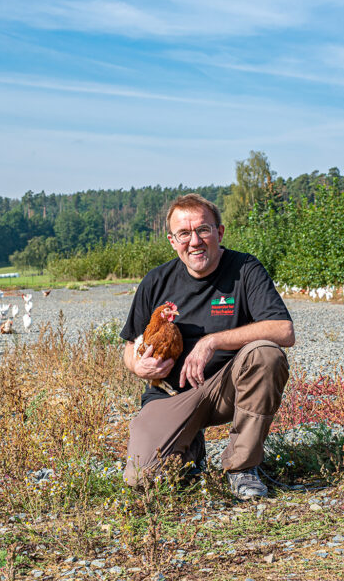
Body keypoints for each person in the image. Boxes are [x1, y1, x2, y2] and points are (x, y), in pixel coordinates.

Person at [120, 193, 294, 498]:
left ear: (219, 232)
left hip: (227, 387)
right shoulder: (156, 281)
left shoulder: (244, 269)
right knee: (142, 477)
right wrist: (139, 365)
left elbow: (283, 330)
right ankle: (192, 452)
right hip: (171, 393)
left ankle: (242, 467)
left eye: (203, 230)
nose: (195, 241)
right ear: (172, 241)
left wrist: (210, 341)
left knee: (266, 354)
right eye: (184, 234)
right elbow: (129, 346)